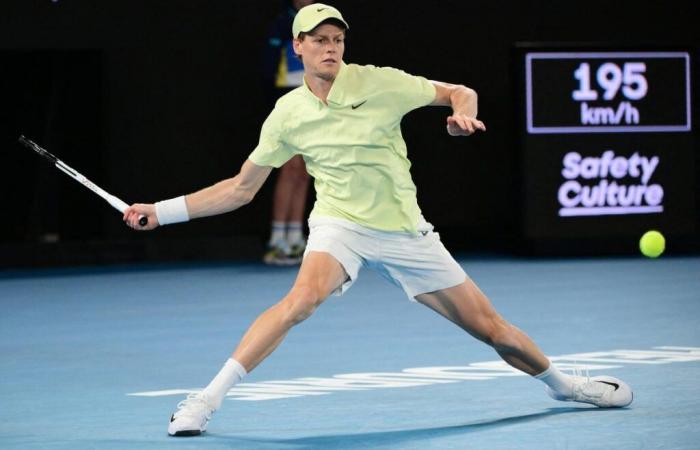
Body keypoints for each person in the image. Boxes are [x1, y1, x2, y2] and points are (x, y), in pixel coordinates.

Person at [124, 4, 633, 437]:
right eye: (319, 40)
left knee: (493, 330)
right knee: (300, 301)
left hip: (405, 230)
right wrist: (161, 212)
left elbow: (458, 90)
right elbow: (240, 189)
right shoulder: (287, 113)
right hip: (339, 225)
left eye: (338, 39)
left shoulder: (382, 83)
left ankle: (567, 386)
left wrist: (461, 116)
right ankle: (206, 400)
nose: (331, 48)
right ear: (297, 46)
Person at [261, 0, 315, 265]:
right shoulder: (283, 22)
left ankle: (295, 239)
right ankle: (277, 240)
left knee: (304, 171)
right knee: (290, 168)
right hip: (289, 98)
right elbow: (269, 67)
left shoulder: (323, 20)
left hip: (315, 98)